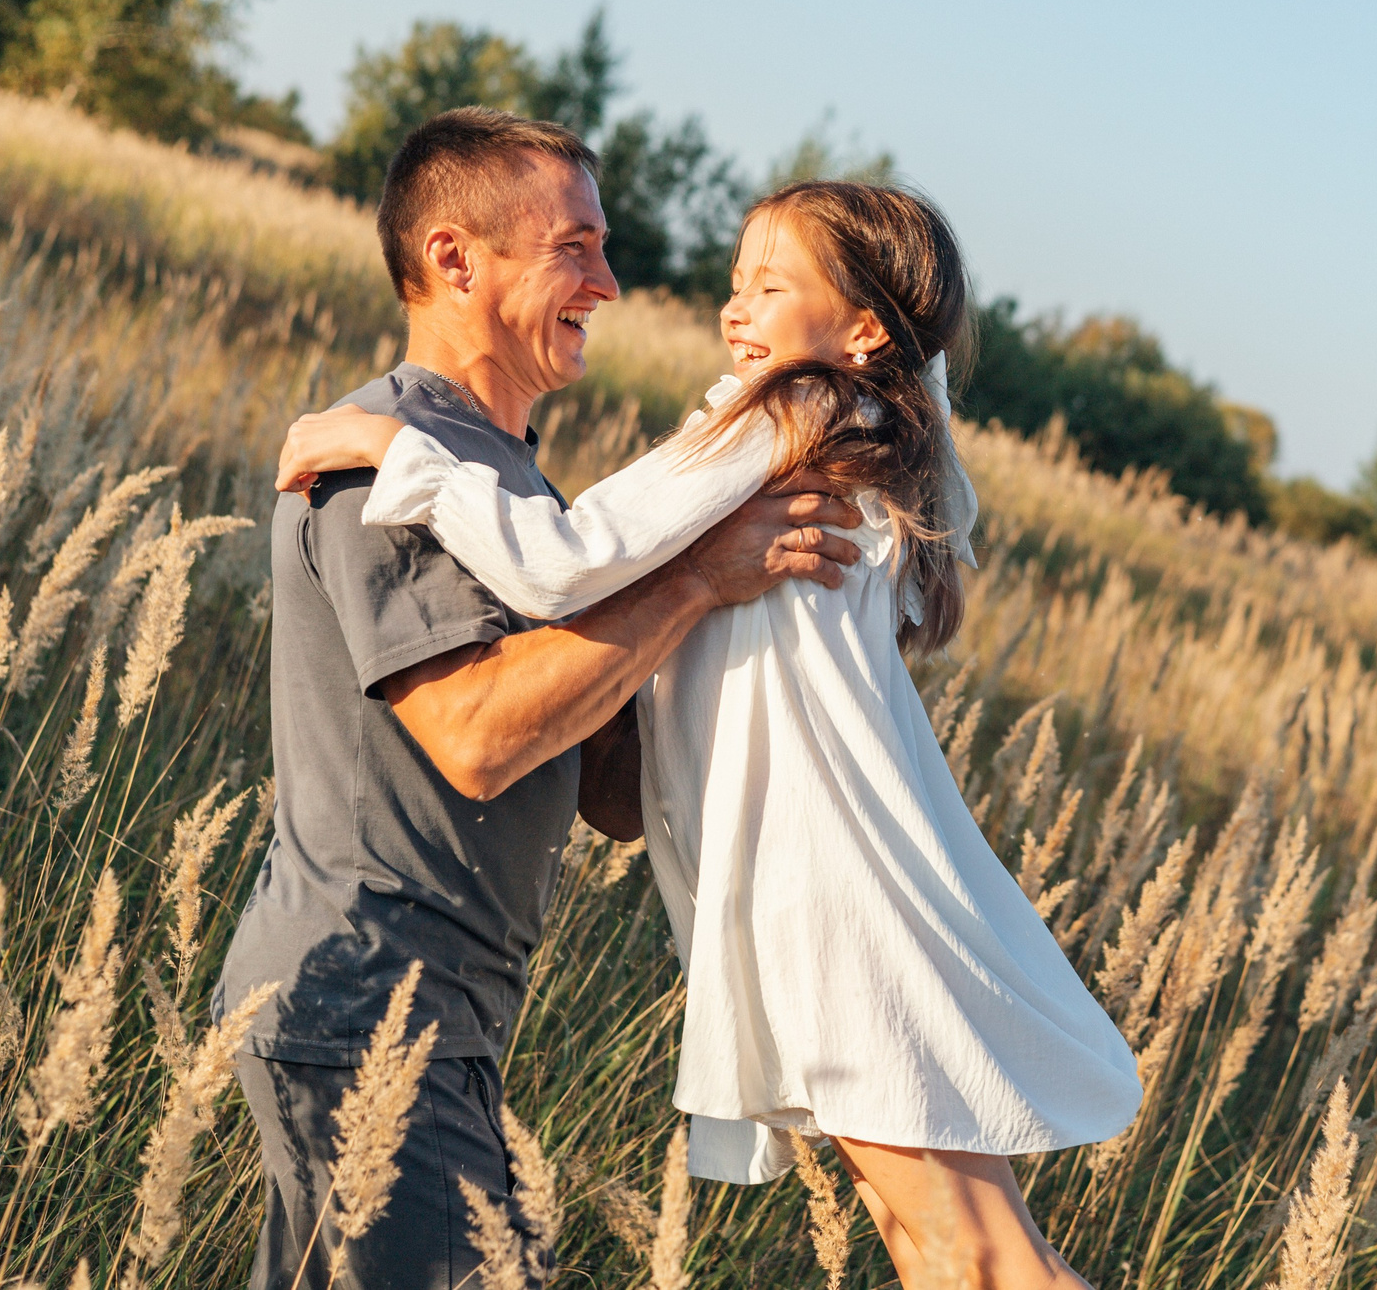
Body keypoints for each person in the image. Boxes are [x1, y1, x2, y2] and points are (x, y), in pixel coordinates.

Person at [274, 181, 1140, 1289]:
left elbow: (566, 558)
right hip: (821, 875)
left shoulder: (791, 409)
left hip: (822, 882)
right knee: (930, 1240)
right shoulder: (862, 429)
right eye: (735, 285)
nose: (736, 312)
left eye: (769, 287)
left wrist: (400, 452)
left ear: (866, 329)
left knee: (973, 1252)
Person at [213, 108, 869, 1290]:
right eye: (576, 246)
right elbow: (472, 736)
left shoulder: (519, 490)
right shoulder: (385, 461)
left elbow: (607, 793)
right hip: (362, 1001)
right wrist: (690, 581)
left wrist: (744, 617)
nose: (610, 283)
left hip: (448, 1020)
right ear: (458, 259)